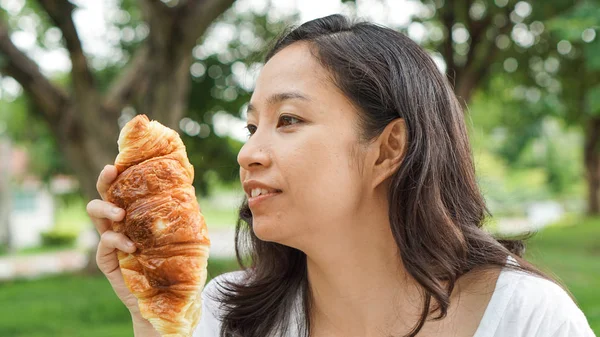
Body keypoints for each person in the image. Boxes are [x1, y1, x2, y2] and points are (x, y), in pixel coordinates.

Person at [86, 14, 595, 337]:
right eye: (250, 125)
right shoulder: (224, 314)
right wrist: (151, 316)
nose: (249, 153)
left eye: (288, 120)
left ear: (389, 147)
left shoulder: (528, 319)